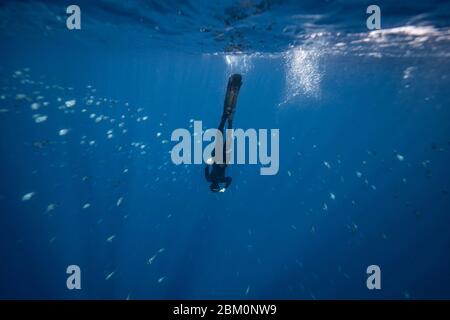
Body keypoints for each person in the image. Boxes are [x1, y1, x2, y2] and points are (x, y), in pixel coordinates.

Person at [205, 74, 242, 192]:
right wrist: (225, 188)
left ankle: (225, 118)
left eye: (214, 187)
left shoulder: (209, 178)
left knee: (220, 135)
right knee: (227, 137)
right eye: (217, 187)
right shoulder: (218, 180)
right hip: (224, 158)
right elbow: (229, 179)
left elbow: (206, 167)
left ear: (212, 186)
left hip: (217, 156)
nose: (216, 185)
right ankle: (228, 120)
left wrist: (210, 161)